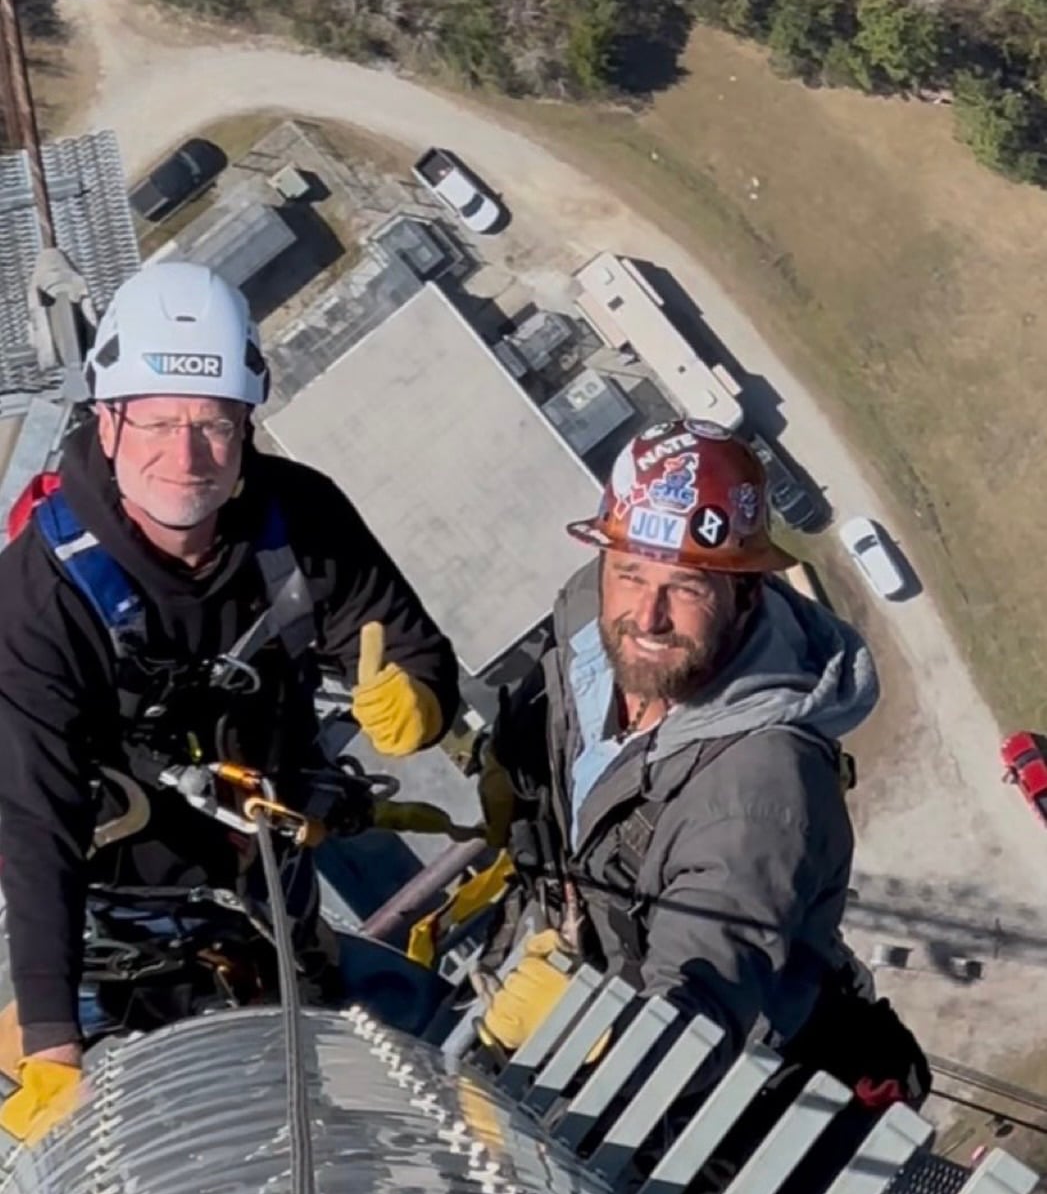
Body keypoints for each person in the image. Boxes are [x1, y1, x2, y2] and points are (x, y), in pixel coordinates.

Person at [0, 262, 459, 1139]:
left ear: (247, 422)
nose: (187, 456)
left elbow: (410, 648)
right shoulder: (37, 600)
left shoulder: (301, 522)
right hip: (113, 907)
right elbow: (35, 825)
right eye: (161, 422)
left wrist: (417, 702)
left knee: (311, 1086)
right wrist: (54, 1041)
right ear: (107, 419)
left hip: (269, 868)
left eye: (213, 424)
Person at [476, 419, 882, 1085]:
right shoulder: (590, 605)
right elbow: (559, 702)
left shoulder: (760, 794)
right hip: (567, 949)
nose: (647, 615)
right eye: (629, 573)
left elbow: (696, 1020)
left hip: (694, 1105)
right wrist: (509, 770)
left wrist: (596, 1031)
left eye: (685, 588)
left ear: (744, 593)